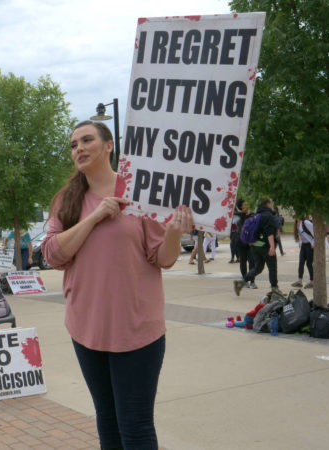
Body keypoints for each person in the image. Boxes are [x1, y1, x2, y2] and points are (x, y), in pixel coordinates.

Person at [41, 120, 193, 449]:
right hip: (87, 328)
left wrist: (173, 234)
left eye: (86, 140)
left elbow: (162, 258)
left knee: (135, 426)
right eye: (73, 144)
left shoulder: (141, 193)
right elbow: (53, 255)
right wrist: (95, 218)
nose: (78, 148)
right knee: (107, 421)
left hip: (137, 329)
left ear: (109, 145)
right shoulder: (67, 200)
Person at [233, 198, 280, 296]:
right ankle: (275, 290)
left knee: (258, 268)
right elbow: (270, 232)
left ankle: (240, 283)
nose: (272, 205)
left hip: (255, 246)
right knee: (272, 267)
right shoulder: (268, 216)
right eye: (271, 203)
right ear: (268, 204)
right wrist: (272, 246)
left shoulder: (257, 215)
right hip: (265, 245)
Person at [233, 198, 256, 287]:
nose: (247, 207)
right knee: (243, 261)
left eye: (247, 205)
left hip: (250, 242)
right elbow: (242, 226)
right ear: (241, 207)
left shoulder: (252, 215)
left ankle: (252, 281)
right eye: (244, 205)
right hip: (241, 241)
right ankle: (245, 280)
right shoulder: (237, 216)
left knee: (252, 261)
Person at [292, 216, 314, 289]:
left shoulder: (306, 222)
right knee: (301, 262)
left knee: (309, 263)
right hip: (303, 245)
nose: (292, 213)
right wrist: (300, 245)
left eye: (294, 212)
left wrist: (313, 243)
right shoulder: (296, 223)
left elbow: (314, 232)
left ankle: (312, 281)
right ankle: (299, 281)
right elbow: (300, 236)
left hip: (309, 245)